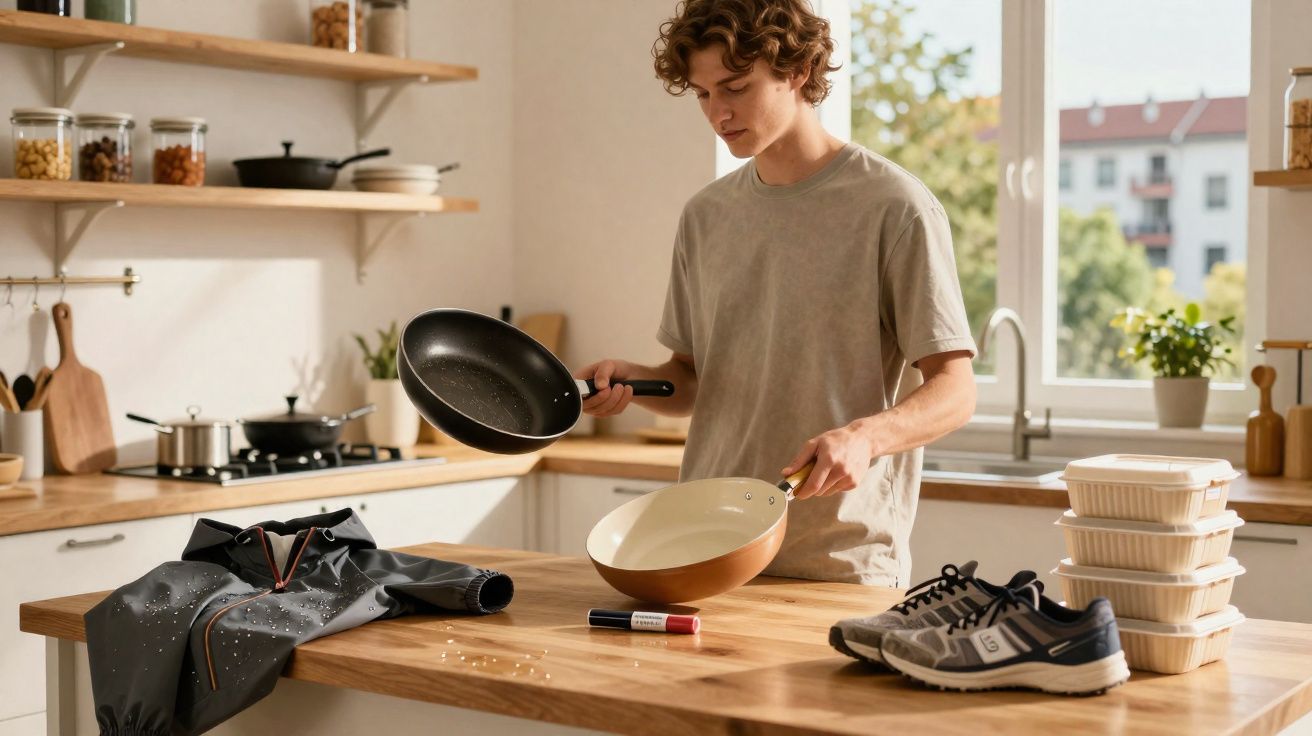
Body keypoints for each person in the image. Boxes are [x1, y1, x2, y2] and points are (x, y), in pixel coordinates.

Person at [574, 0, 977, 587]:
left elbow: (956, 391)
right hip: (704, 550)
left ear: (797, 72)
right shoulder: (706, 216)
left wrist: (866, 437)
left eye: (735, 87)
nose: (719, 112)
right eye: (704, 94)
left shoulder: (895, 208)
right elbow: (690, 380)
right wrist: (632, 381)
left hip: (835, 563)